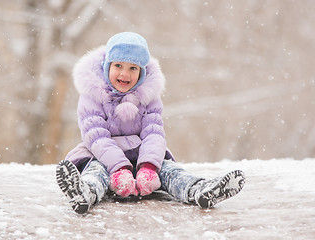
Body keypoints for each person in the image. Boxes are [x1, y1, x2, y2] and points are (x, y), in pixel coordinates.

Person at [56, 32, 245, 214]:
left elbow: (153, 133)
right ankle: (84, 192)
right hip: (102, 156)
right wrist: (119, 167)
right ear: (107, 66)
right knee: (97, 172)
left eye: (133, 68)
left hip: (141, 155)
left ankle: (200, 190)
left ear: (142, 72)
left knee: (171, 171)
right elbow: (96, 137)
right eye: (118, 66)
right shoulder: (93, 95)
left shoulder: (148, 97)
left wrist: (149, 166)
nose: (125, 73)